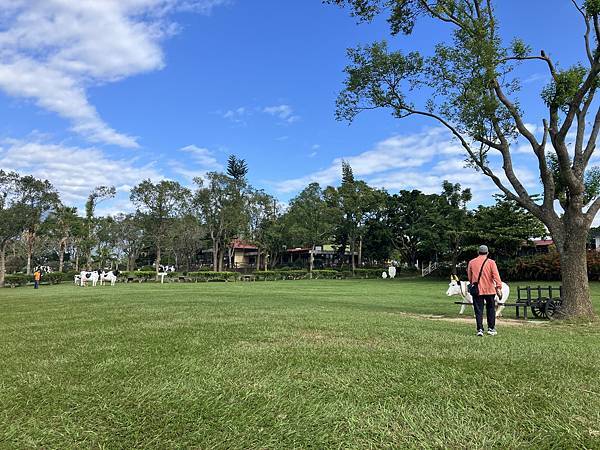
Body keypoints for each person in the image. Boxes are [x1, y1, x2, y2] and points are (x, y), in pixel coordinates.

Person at [467, 245, 502, 337]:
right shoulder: (491, 262)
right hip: (490, 290)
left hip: (477, 290)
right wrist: (498, 286)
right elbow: (496, 276)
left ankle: (480, 329)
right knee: (491, 309)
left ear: (478, 252)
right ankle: (491, 328)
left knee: (478, 310)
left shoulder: (471, 262)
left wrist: (473, 283)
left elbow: (470, 277)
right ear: (487, 253)